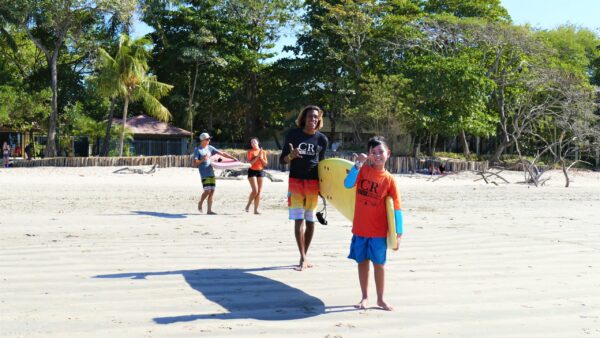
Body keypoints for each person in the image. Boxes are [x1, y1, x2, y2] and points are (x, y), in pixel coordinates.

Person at [343, 136, 404, 311]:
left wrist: (398, 234)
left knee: (379, 265)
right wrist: (357, 165)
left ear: (388, 154)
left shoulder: (389, 179)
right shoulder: (362, 171)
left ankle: (381, 299)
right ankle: (364, 297)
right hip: (360, 229)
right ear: (368, 155)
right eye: (373, 152)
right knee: (362, 263)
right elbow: (347, 184)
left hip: (378, 231)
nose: (377, 155)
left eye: (381, 152)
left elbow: (397, 208)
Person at [279, 105, 328, 271]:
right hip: (296, 182)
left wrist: (324, 188)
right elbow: (282, 160)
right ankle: (302, 257)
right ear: (303, 118)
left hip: (313, 184)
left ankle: (304, 256)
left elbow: (322, 165)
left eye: (316, 117)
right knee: (299, 220)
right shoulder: (293, 135)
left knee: (311, 221)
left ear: (319, 119)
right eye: (310, 117)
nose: (312, 120)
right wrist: (290, 156)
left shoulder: (322, 140)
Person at [192, 132, 237, 215]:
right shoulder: (198, 150)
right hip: (204, 173)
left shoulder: (210, 148)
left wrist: (231, 157)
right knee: (207, 191)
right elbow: (194, 163)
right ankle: (200, 202)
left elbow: (221, 153)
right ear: (202, 140)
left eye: (209, 139)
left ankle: (209, 210)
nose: (209, 140)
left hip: (211, 172)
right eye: (207, 139)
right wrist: (202, 160)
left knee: (212, 191)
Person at [245, 137, 268, 214]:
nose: (253, 143)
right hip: (252, 171)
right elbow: (250, 163)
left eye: (254, 141)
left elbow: (265, 164)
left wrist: (261, 158)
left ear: (258, 142)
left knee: (259, 192)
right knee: (255, 190)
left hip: (260, 171)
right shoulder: (250, 152)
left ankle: (255, 210)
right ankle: (248, 205)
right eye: (251, 142)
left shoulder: (263, 152)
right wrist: (258, 156)